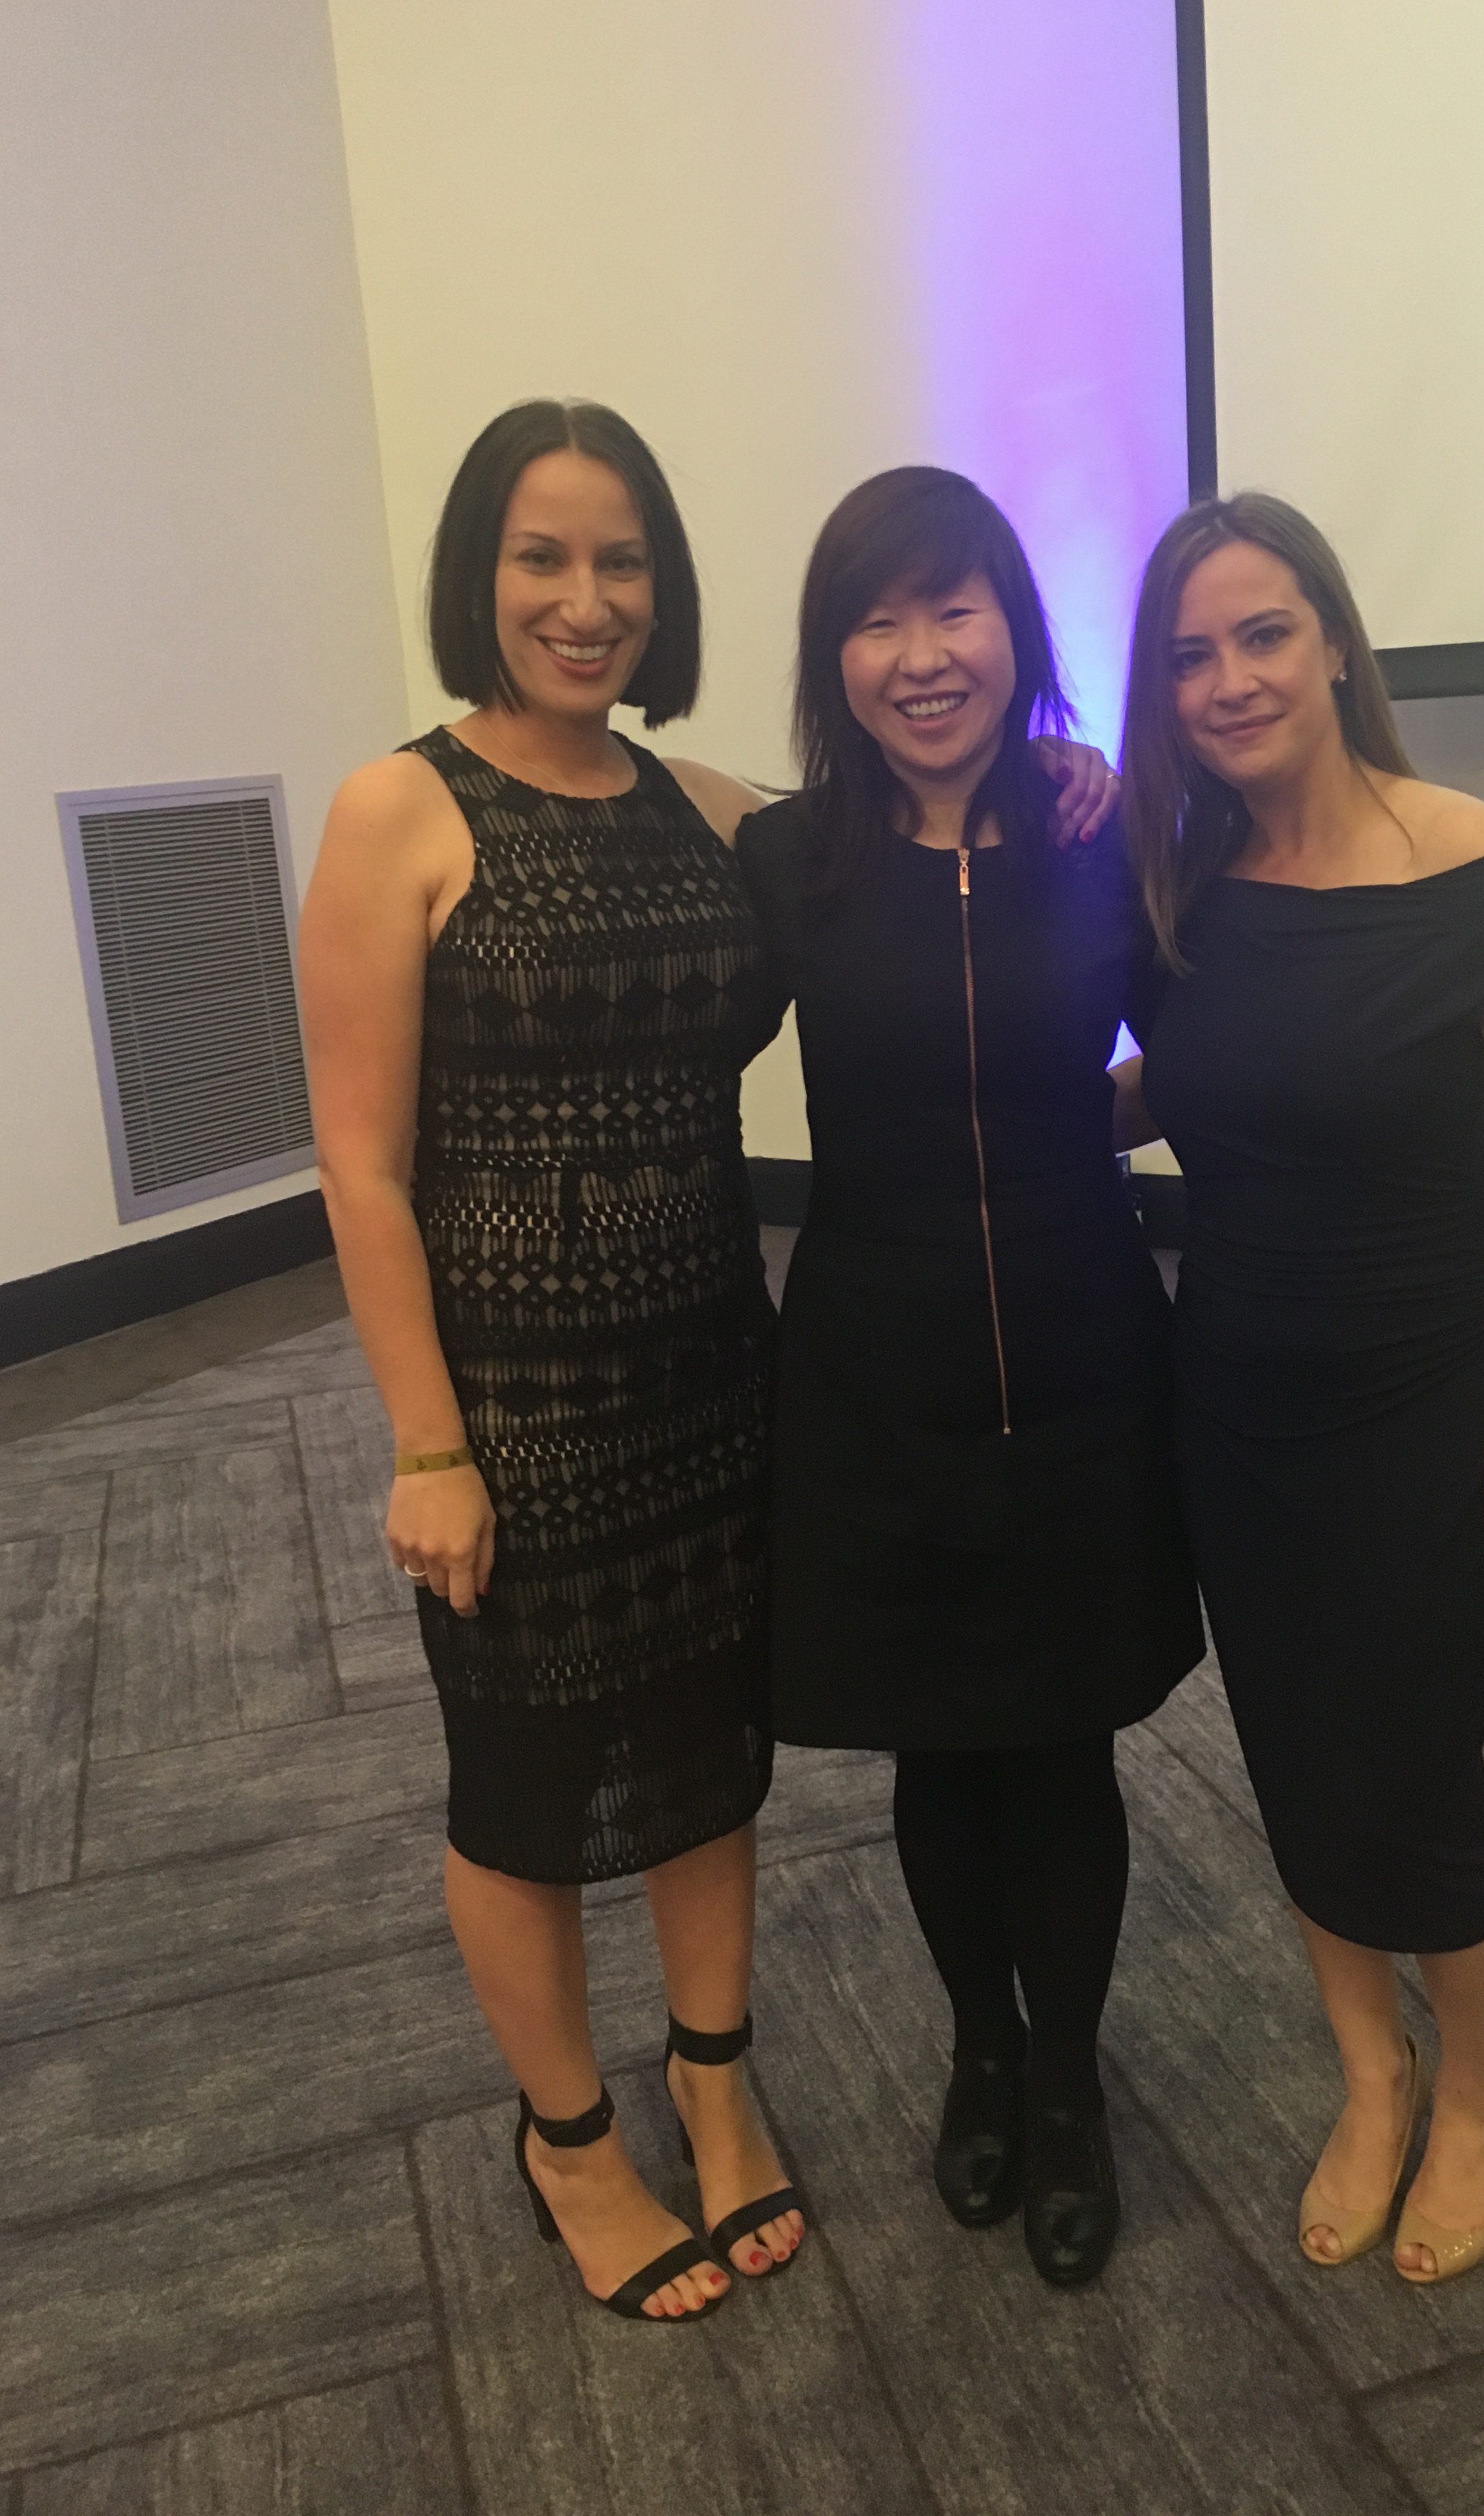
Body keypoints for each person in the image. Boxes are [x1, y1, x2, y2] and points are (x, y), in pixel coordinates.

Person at [300, 400, 1113, 2327]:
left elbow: (895, 834)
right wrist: (429, 1443)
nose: (586, 603)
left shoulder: (703, 810)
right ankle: (570, 2146)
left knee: (701, 1756)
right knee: (522, 1779)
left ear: (664, 596)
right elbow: (357, 1158)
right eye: (542, 559)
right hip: (510, 1392)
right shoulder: (398, 809)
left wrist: (1068, 777)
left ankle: (720, 2088)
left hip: (709, 1366)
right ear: (478, 579)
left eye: (624, 566)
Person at [1117, 492, 1484, 2286]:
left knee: (1406, 1759)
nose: (1231, 678)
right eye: (1190, 656)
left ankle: (1479, 2087)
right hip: (1236, 1393)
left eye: (1261, 634)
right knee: (1294, 1746)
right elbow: (1198, 1076)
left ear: (1333, 639)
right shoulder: (1179, 888)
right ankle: (1371, 2074)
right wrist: (1020, 1120)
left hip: (1438, 1395)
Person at [734, 467, 1207, 2290]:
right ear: (831, 652)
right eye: (877, 617)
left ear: (1017, 624)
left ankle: (1071, 2076)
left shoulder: (1097, 832)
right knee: (939, 1745)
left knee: (1063, 1739)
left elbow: (1213, 1037)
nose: (921, 656)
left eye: (957, 610)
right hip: (876, 1372)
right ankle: (981, 2053)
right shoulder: (790, 862)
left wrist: (1430, 1147)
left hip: (1088, 1352)